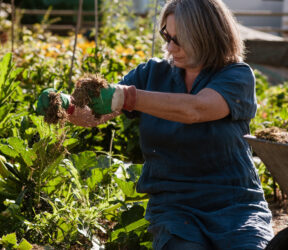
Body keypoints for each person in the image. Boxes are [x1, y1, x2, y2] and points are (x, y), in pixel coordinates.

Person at [37, 0, 274, 249]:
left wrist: (130, 97)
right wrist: (68, 107)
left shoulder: (236, 75)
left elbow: (195, 109)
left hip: (235, 204)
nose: (170, 47)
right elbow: (97, 116)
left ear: (206, 37)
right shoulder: (151, 74)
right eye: (166, 36)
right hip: (176, 208)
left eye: (179, 39)